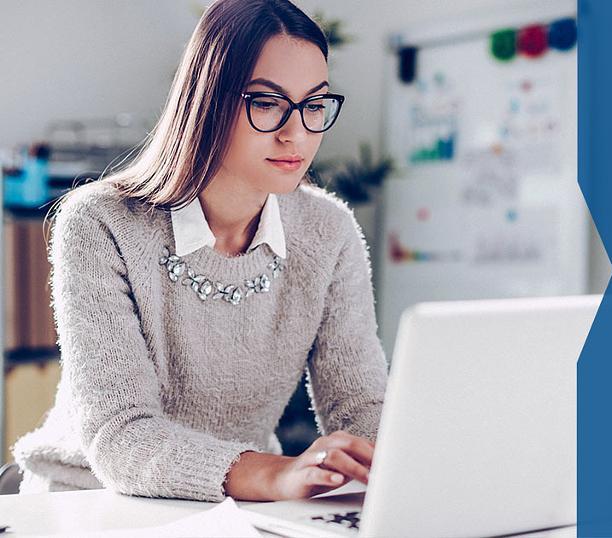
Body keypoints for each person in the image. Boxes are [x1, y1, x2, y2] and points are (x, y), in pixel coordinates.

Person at [11, 0, 388, 502]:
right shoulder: (99, 223)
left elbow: (360, 404)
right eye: (267, 102)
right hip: (90, 499)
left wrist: (393, 461)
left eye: (314, 105)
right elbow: (122, 435)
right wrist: (274, 474)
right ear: (206, 99)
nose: (296, 132)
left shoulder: (330, 231)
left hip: (239, 500)